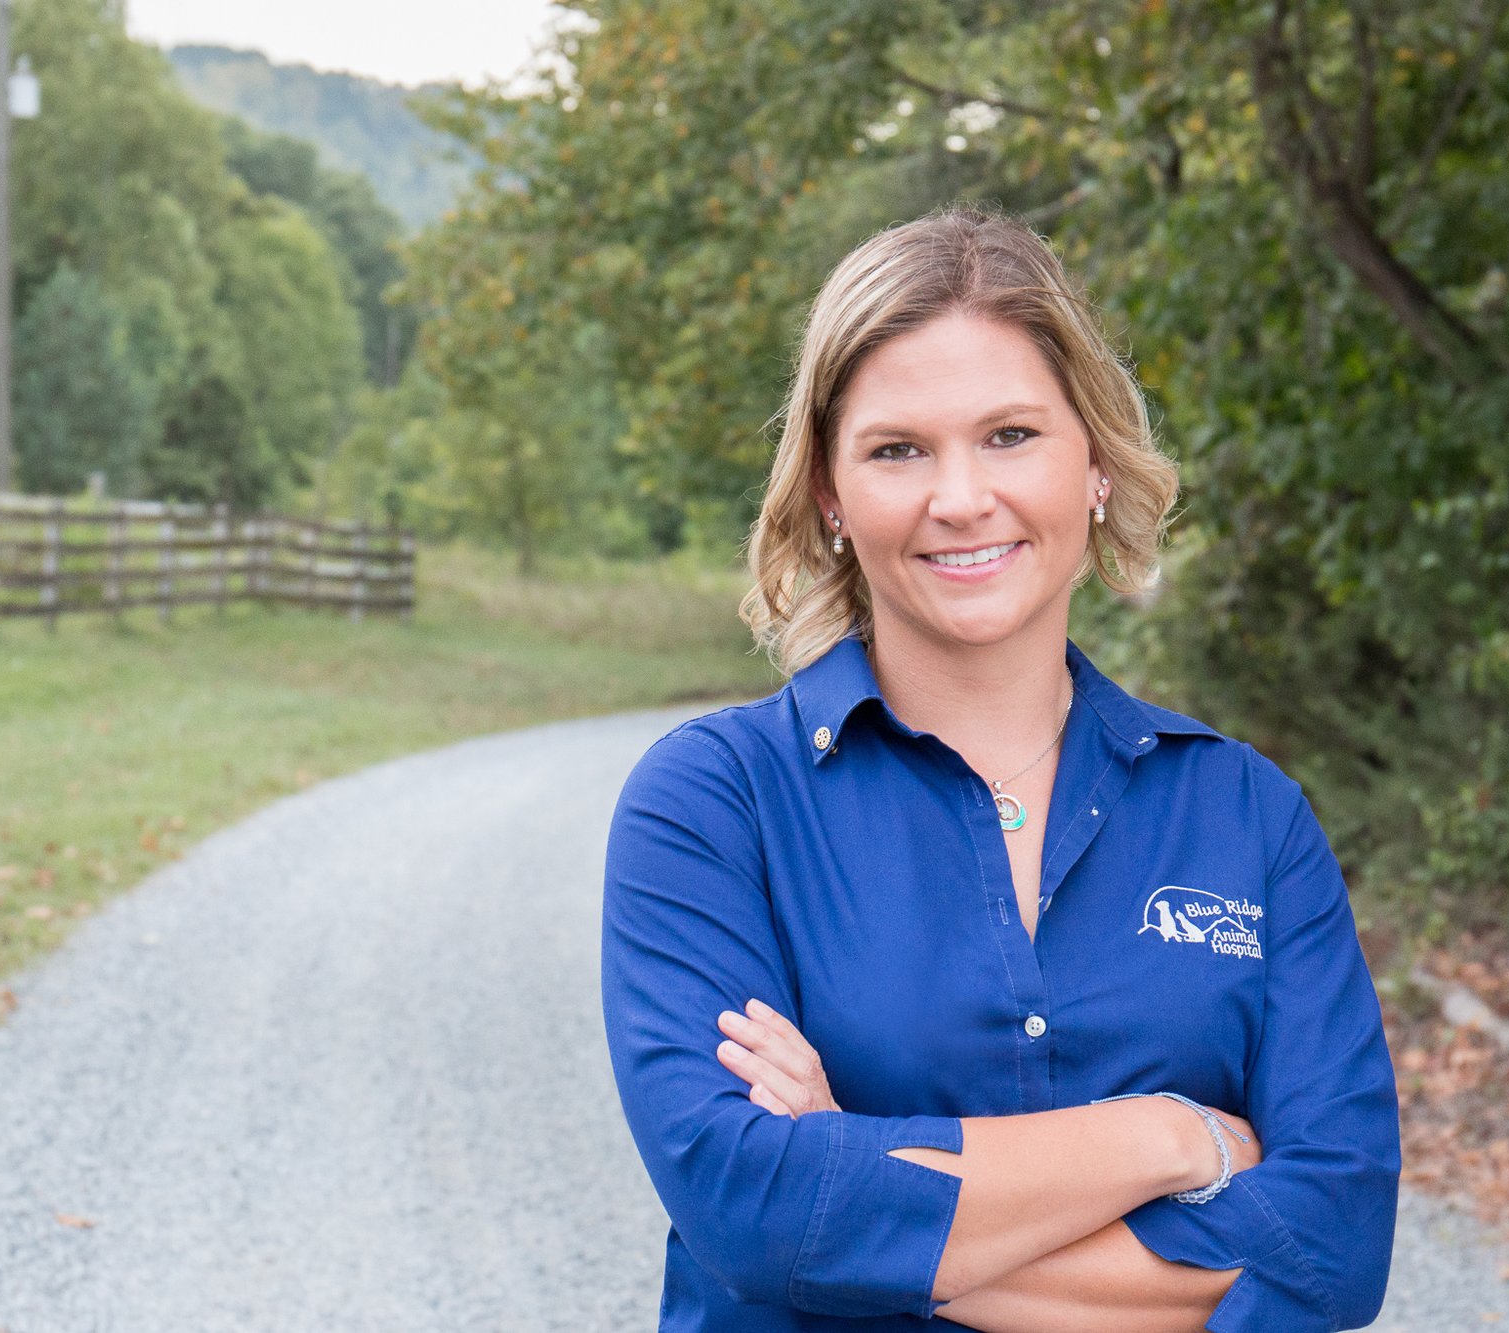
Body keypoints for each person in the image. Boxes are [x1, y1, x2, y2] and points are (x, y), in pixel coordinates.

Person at [600, 203, 1400, 1332]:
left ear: (1094, 465)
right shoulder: (712, 805)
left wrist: (856, 1180)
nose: (960, 497)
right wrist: (1169, 1138)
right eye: (895, 450)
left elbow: (1333, 1252)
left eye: (1010, 435)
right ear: (829, 495)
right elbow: (751, 1212)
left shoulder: (1245, 817)